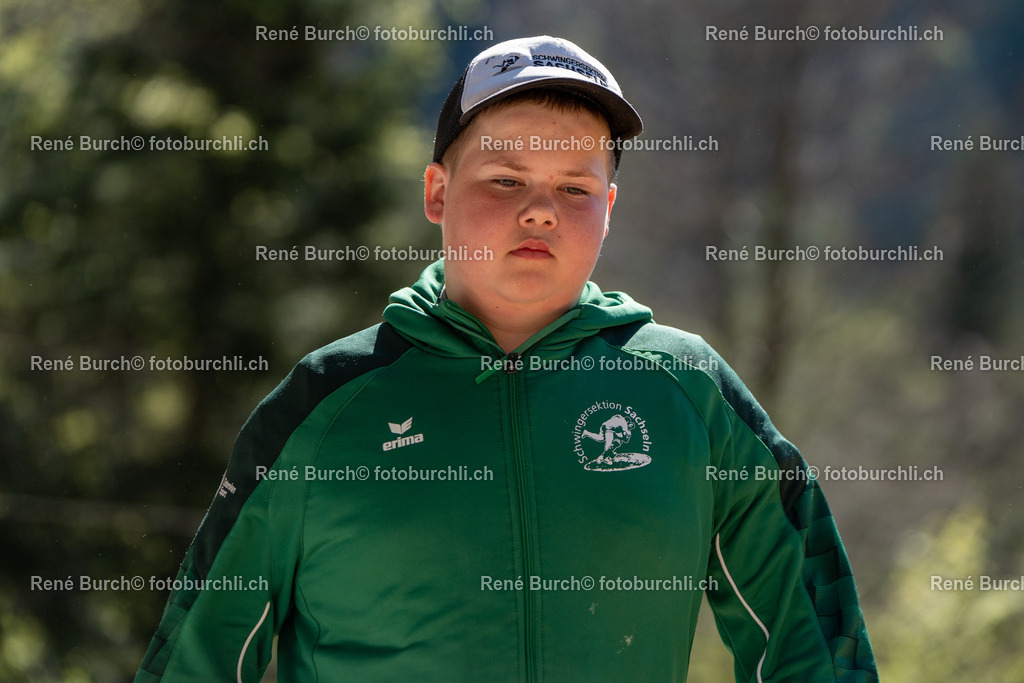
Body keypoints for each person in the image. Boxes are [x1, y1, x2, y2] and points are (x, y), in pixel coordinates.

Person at [135, 35, 878, 682]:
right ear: (436, 191)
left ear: (610, 207)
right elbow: (198, 656)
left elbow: (809, 643)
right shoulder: (325, 405)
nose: (540, 209)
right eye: (506, 179)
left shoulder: (690, 395)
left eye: (574, 187)